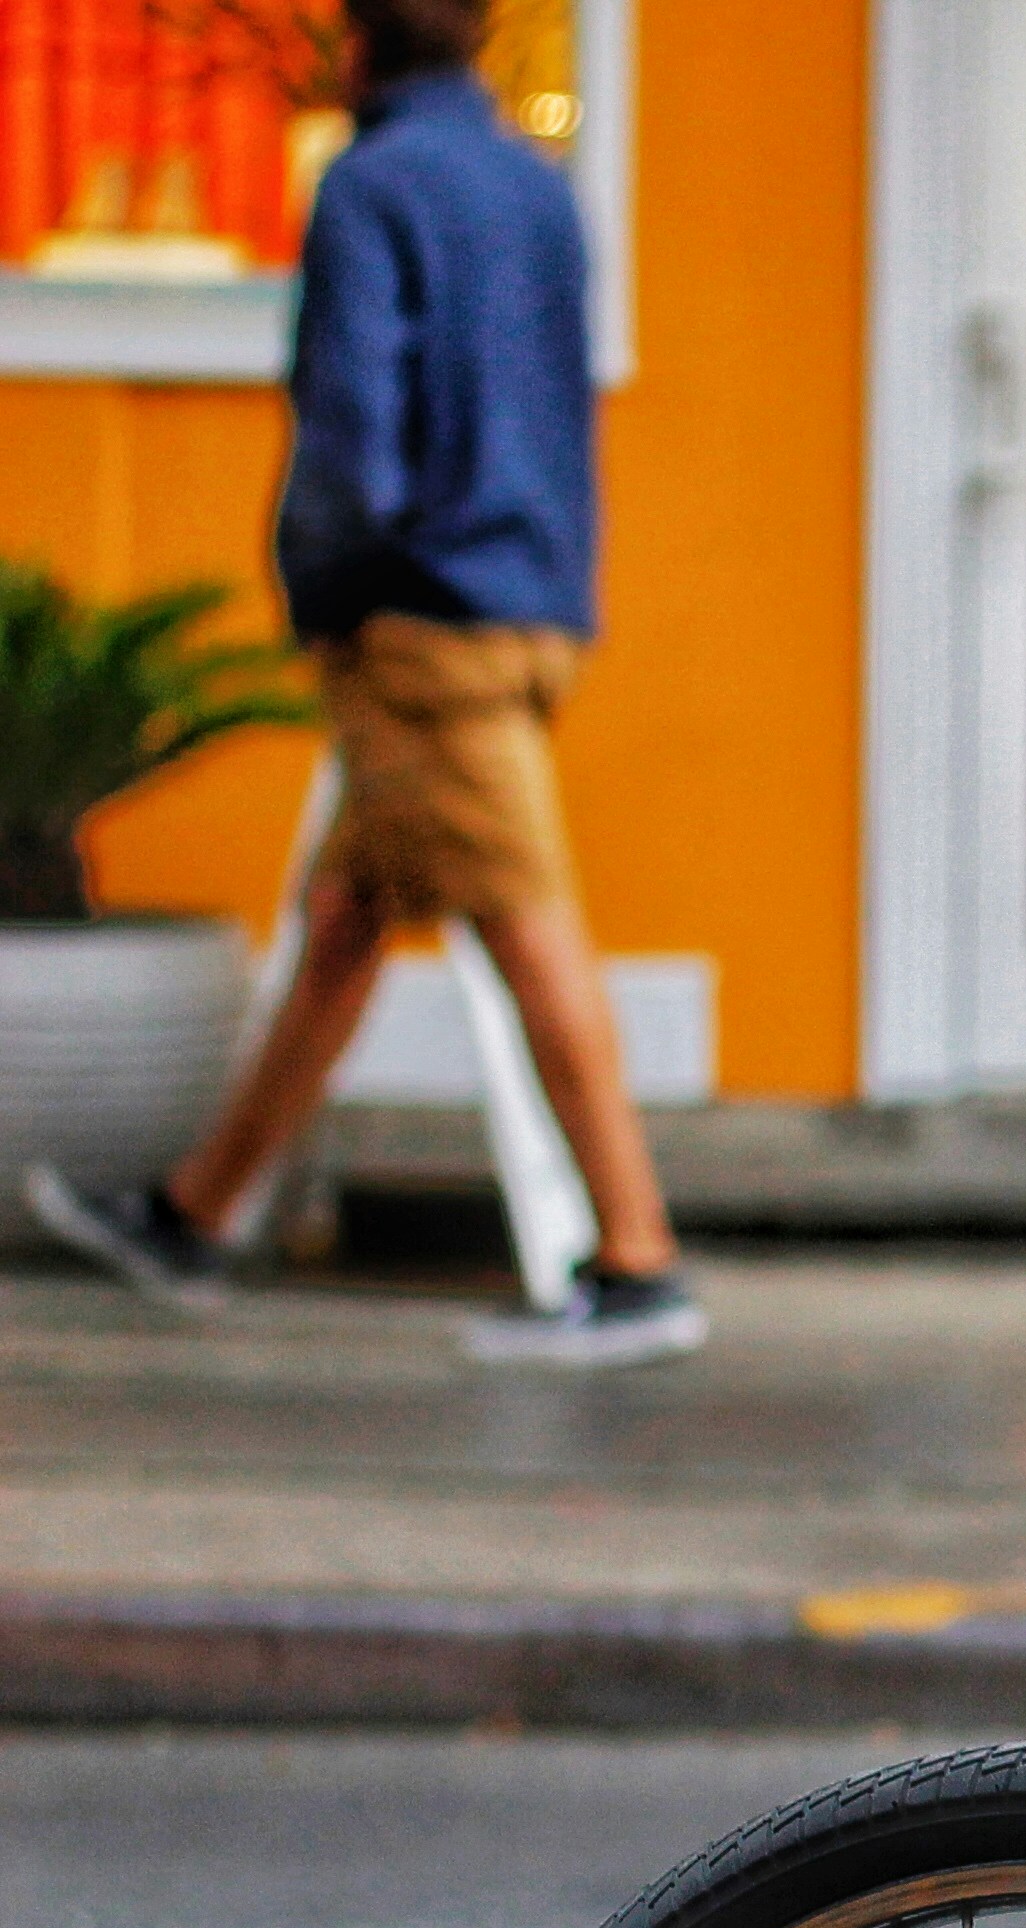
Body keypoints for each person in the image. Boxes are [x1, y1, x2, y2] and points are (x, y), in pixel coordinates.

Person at [22, 0, 698, 1366]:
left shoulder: (370, 185)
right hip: (523, 597)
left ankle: (635, 1260)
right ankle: (196, 1217)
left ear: (357, 40)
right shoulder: (533, 186)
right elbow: (559, 399)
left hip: (420, 620)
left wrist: (324, 584)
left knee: (521, 917)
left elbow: (353, 428)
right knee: (346, 917)